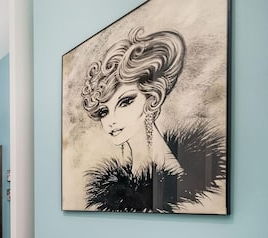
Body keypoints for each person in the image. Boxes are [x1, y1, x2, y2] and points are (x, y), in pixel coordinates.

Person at [80, 27, 225, 212]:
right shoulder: (121, 179)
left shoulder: (180, 184)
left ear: (152, 99)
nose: (111, 120)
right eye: (103, 111)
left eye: (125, 102)